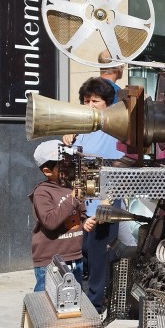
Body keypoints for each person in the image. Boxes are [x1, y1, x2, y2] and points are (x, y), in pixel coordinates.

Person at [70, 78, 123, 311]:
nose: (90, 105)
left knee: (98, 255)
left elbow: (119, 169)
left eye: (95, 101)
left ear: (107, 103)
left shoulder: (114, 129)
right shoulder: (82, 128)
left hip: (104, 201)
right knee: (85, 253)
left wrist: (106, 203)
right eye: (86, 101)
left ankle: (96, 304)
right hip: (84, 202)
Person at [30, 140, 86, 291]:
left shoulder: (72, 187)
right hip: (50, 261)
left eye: (69, 162)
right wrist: (73, 198)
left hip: (75, 257)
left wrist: (86, 222)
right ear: (47, 171)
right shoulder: (42, 192)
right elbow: (50, 221)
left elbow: (81, 214)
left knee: (74, 299)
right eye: (62, 165)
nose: (68, 167)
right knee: (46, 300)